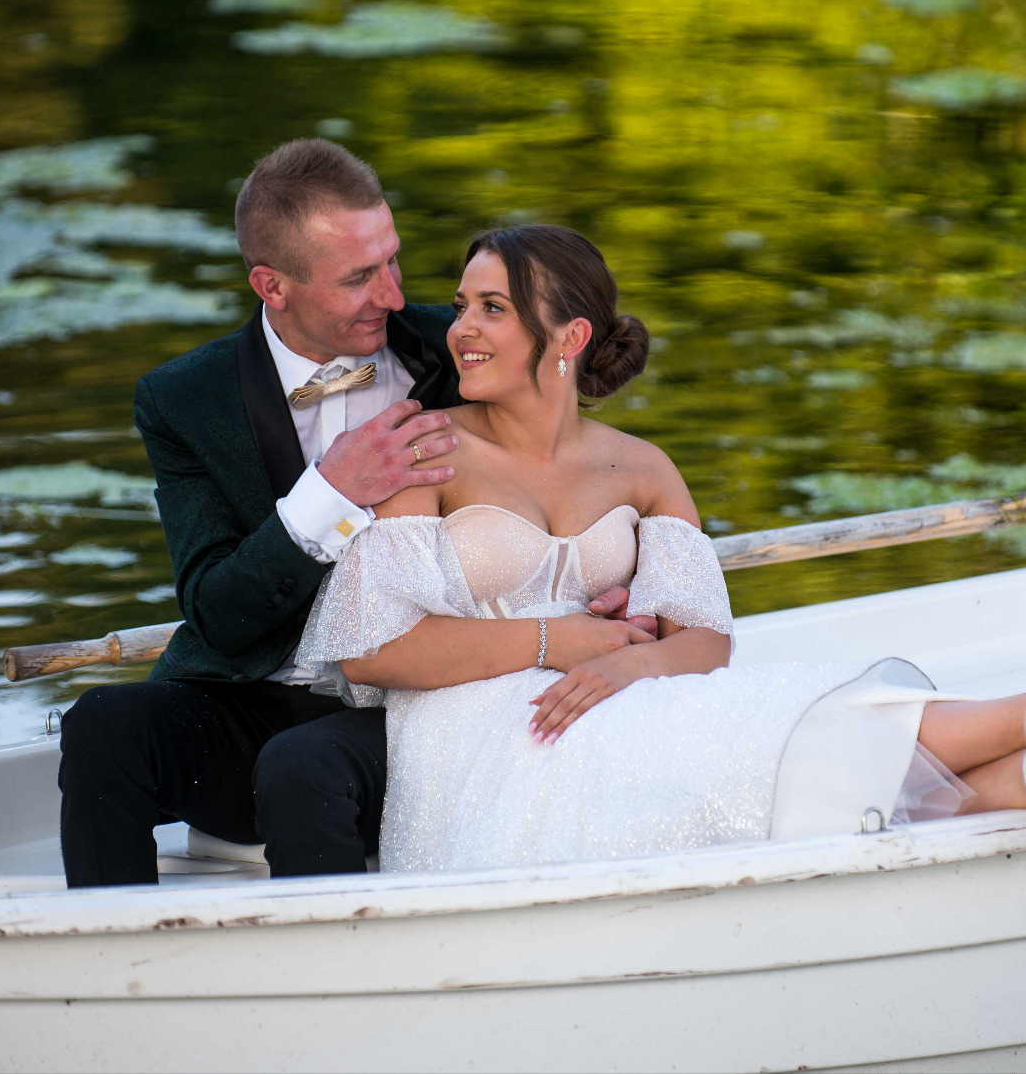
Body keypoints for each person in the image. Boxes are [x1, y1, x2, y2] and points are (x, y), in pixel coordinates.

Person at [293, 224, 1026, 872]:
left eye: (493, 308)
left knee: (750, 709)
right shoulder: (429, 451)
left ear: (566, 338)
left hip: (608, 697)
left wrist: (626, 671)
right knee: (731, 731)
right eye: (462, 306)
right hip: (485, 726)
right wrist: (554, 645)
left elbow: (706, 641)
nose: (461, 330)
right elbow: (373, 646)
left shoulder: (642, 469)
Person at [56, 141, 649, 887]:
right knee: (101, 728)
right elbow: (216, 612)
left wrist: (612, 580)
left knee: (306, 768)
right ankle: (113, 970)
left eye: (393, 260)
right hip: (257, 694)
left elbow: (586, 466)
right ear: (272, 285)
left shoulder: (466, 345)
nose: (395, 295)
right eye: (360, 277)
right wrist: (328, 493)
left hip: (428, 698)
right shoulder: (184, 399)